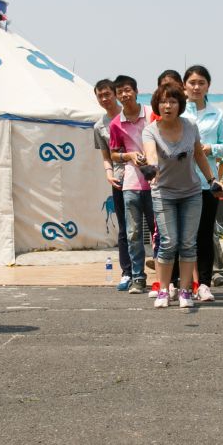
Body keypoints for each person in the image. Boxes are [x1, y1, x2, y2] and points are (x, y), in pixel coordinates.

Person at [142, 82, 214, 309]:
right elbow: (151, 155)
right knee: (168, 242)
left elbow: (200, 155)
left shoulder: (190, 126)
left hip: (192, 193)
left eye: (173, 101)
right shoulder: (150, 130)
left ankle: (185, 291)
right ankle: (163, 290)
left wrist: (212, 180)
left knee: (188, 243)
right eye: (163, 101)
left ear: (180, 105)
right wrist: (151, 169)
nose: (168, 106)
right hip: (163, 193)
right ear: (157, 105)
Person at [182, 65, 223, 300]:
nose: (196, 87)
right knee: (182, 236)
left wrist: (209, 148)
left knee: (204, 235)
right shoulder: (179, 111)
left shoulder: (217, 114)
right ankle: (181, 284)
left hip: (207, 182)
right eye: (192, 82)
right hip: (181, 182)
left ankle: (204, 284)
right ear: (184, 85)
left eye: (201, 83)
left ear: (208, 86)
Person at [109, 74, 153, 294]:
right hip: (131, 183)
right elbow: (114, 154)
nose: (124, 95)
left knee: (159, 232)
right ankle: (138, 277)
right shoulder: (116, 123)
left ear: (136, 91)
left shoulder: (152, 114)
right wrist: (130, 156)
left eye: (128, 90)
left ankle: (166, 278)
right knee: (133, 233)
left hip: (155, 182)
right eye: (120, 92)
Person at [92, 78, 131, 290]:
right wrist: (108, 173)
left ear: (115, 94)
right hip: (119, 178)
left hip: (144, 176)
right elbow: (106, 156)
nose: (105, 99)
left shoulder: (132, 115)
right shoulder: (99, 126)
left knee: (155, 226)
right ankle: (127, 272)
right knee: (124, 227)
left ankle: (165, 273)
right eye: (100, 96)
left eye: (107, 94)